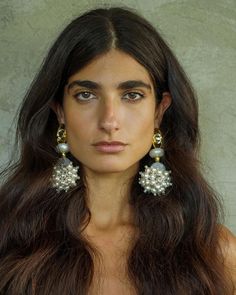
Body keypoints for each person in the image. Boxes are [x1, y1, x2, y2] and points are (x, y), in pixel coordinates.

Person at [0, 6, 235, 295]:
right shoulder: (9, 241)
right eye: (86, 95)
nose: (109, 120)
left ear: (160, 111)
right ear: (60, 110)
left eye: (132, 95)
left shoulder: (214, 252)